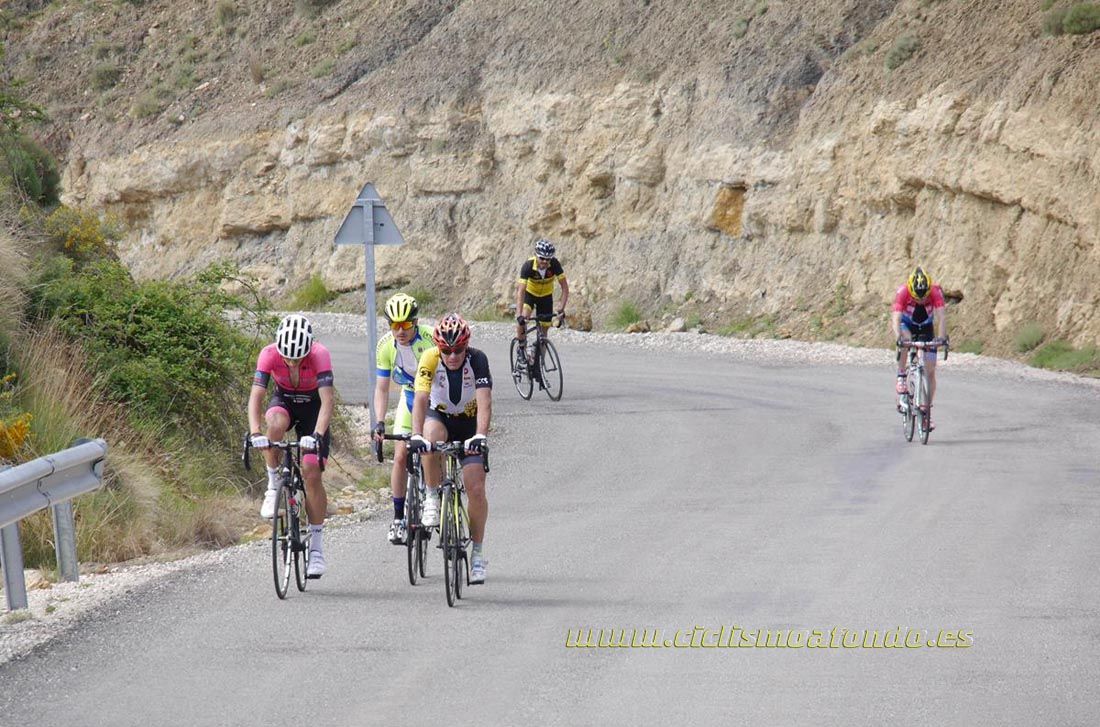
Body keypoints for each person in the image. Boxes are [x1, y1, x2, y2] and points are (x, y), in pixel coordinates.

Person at [407, 313, 493, 584]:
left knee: (475, 488)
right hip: (440, 417)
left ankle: (477, 554)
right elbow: (421, 399)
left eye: (458, 350)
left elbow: (485, 401)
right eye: (447, 350)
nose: (453, 356)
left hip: (469, 424)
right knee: (430, 440)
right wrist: (416, 435)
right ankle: (432, 494)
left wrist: (480, 435)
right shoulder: (430, 358)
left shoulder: (477, 359)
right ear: (438, 348)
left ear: (466, 347)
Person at [248, 313, 334, 578]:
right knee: (273, 424)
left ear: (309, 348)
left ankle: (317, 549)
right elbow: (256, 397)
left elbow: (327, 401)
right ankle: (274, 484)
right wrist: (254, 433)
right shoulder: (268, 354)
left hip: (313, 409)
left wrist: (318, 434)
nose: (292, 363)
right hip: (284, 400)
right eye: (287, 359)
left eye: (298, 359)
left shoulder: (320, 355)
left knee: (311, 473)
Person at [371, 293, 436, 546]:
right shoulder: (386, 346)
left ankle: (434, 495)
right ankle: (398, 518)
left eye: (406, 325)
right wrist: (379, 422)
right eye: (394, 325)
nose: (400, 331)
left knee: (432, 448)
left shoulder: (431, 339)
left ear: (415, 322)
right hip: (409, 398)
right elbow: (382, 388)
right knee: (399, 455)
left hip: (433, 397)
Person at [891, 267, 948, 429]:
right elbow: (895, 319)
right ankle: (902, 376)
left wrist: (941, 339)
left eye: (924, 299)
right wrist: (898, 338)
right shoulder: (903, 292)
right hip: (906, 325)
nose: (921, 301)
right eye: (917, 299)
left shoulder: (936, 292)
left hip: (926, 328)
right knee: (905, 340)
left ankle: (926, 412)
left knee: (930, 370)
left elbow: (942, 317)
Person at [514, 238, 569, 363]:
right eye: (542, 258)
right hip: (530, 295)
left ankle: (540, 365)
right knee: (523, 319)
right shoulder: (528, 266)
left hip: (546, 297)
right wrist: (519, 314)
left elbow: (565, 288)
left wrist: (561, 308)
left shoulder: (554, 265)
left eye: (548, 259)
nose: (545, 262)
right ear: (536, 255)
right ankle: (521, 348)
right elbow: (521, 291)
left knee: (544, 333)